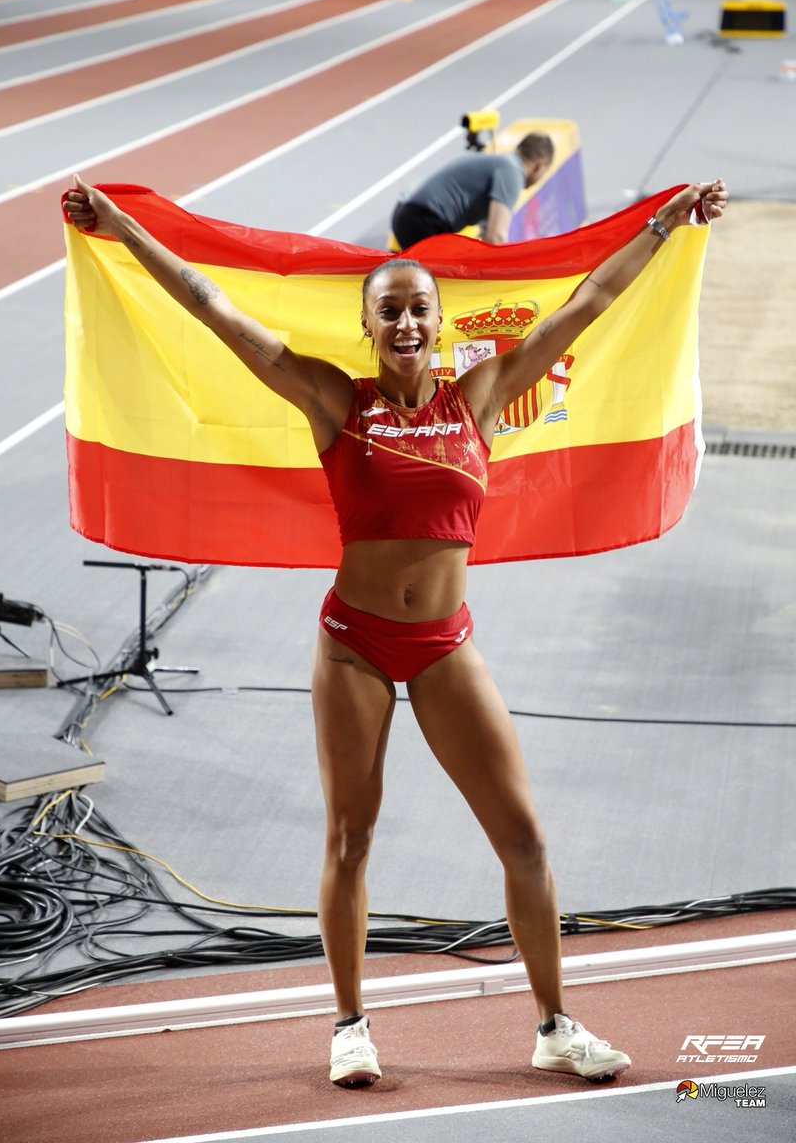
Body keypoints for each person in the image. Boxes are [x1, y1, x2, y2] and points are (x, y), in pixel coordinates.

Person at [63, 173, 728, 1089]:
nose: (408, 324)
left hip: (445, 642)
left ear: (441, 324)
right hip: (353, 646)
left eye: (421, 309)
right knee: (350, 836)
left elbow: (591, 303)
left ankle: (554, 1024)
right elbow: (213, 307)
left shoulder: (482, 398)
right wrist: (123, 229)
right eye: (391, 313)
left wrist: (664, 224)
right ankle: (348, 1024)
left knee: (525, 838)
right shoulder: (335, 402)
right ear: (369, 329)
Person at [391, 132, 554, 250]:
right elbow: (495, 237)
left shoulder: (501, 163)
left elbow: (486, 234)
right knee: (445, 287)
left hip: (409, 214)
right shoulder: (512, 171)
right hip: (421, 220)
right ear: (541, 164)